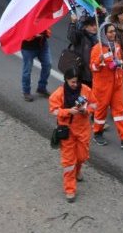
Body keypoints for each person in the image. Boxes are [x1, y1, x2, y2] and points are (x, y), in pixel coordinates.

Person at [49, 69, 95, 203]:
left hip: (83, 129)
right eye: (72, 82)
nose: (75, 84)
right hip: (67, 130)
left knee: (82, 156)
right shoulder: (59, 93)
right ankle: (70, 189)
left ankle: (77, 170)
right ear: (66, 81)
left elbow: (94, 104)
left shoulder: (86, 90)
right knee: (69, 161)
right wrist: (68, 111)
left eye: (77, 81)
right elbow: (53, 110)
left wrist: (86, 110)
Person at [89, 23, 123, 150]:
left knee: (119, 111)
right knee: (101, 110)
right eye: (110, 32)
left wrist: (118, 64)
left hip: (116, 84)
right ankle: (97, 133)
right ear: (104, 34)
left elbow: (118, 63)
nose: (113, 34)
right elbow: (93, 67)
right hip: (103, 86)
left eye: (114, 31)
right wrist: (99, 61)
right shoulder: (97, 49)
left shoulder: (116, 46)